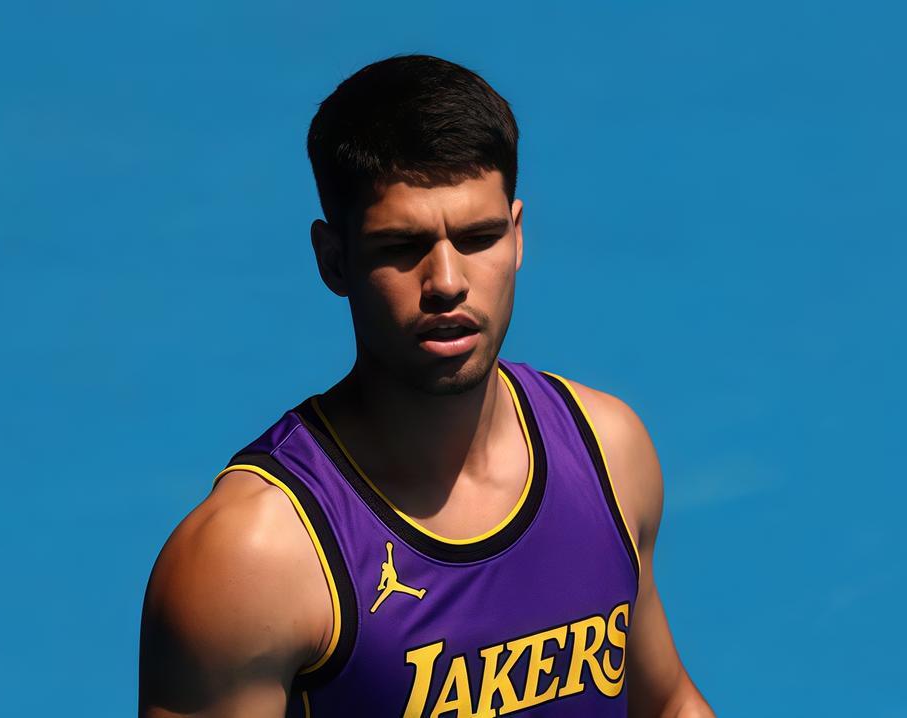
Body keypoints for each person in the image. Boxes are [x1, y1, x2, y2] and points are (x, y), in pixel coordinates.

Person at [138, 54, 716, 718]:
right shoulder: (254, 556)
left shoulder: (608, 452)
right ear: (334, 259)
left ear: (517, 237)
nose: (446, 282)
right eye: (401, 246)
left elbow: (667, 704)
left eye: (478, 238)